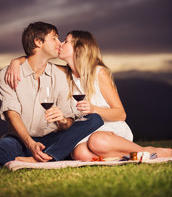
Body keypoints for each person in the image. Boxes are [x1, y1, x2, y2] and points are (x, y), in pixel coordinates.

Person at [5, 30, 172, 161]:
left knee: (97, 142)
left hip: (109, 128)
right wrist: (15, 62)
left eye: (66, 41)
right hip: (84, 132)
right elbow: (37, 60)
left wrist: (93, 108)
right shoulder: (65, 73)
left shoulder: (99, 73)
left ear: (79, 48)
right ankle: (122, 156)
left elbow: (121, 114)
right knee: (80, 153)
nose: (61, 43)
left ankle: (147, 152)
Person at [0, 22, 104, 166]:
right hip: (21, 140)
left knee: (94, 119)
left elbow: (68, 123)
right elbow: (12, 114)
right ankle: (52, 155)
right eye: (54, 38)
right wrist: (30, 144)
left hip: (53, 139)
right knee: (3, 149)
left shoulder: (59, 76)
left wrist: (62, 120)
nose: (59, 43)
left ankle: (47, 156)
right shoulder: (8, 74)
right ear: (38, 42)